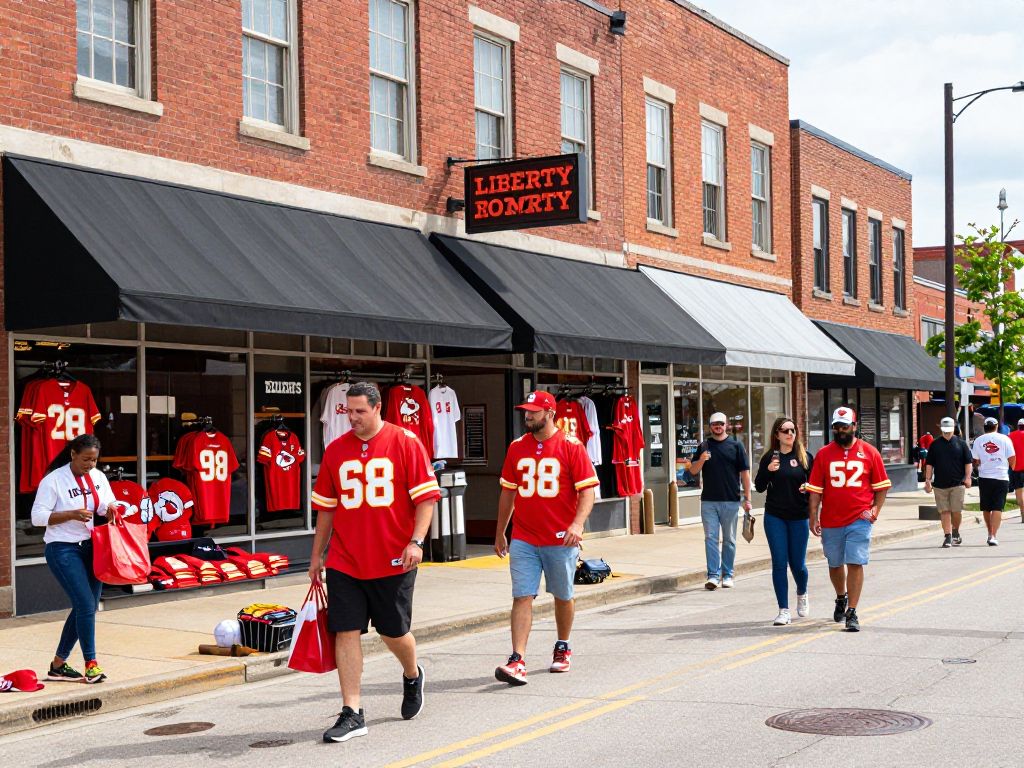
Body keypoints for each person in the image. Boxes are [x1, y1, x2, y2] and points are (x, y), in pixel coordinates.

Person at [308, 381, 441, 744]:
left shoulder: (405, 442)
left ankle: (412, 674)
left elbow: (426, 499)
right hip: (345, 560)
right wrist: (317, 555)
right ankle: (352, 712)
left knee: (392, 632)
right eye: (348, 412)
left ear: (378, 407)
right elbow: (326, 510)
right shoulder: (336, 450)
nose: (352, 418)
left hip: (393, 558)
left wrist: (416, 542)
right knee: (345, 631)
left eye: (360, 411)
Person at [493, 391, 599, 685]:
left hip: (560, 538)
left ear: (549, 413)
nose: (527, 416)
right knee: (522, 595)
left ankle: (563, 645)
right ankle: (517, 659)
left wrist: (577, 524)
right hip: (525, 537)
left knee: (563, 595)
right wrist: (501, 530)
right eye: (525, 411)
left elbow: (587, 490)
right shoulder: (516, 447)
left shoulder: (571, 446)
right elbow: (508, 492)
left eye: (533, 411)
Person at [31, 434, 116, 684]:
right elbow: (37, 517)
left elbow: (106, 504)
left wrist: (113, 509)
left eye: (94, 459)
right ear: (73, 454)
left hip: (93, 547)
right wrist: (70, 515)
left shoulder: (98, 477)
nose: (90, 464)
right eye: (86, 459)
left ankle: (58, 666)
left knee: (85, 606)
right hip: (62, 549)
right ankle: (91, 665)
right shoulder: (54, 480)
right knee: (86, 605)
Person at [805, 407, 890, 632]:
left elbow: (881, 487)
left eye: (845, 426)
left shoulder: (870, 452)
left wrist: (875, 511)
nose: (841, 431)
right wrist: (813, 516)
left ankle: (852, 611)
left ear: (854, 426)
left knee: (855, 561)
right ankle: (841, 597)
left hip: (859, 518)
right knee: (835, 563)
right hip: (831, 518)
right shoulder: (824, 453)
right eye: (837, 427)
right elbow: (815, 489)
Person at [754, 417, 814, 626]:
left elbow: (816, 487)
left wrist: (808, 489)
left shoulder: (805, 457)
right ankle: (783, 610)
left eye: (793, 430)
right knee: (779, 563)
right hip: (775, 516)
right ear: (777, 434)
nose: (790, 434)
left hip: (799, 516)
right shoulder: (770, 457)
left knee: (797, 565)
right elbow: (759, 487)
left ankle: (802, 592)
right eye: (785, 430)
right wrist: (767, 471)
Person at [688, 411, 752, 590]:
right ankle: (713, 576)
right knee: (710, 538)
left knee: (730, 540)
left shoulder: (736, 446)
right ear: (710, 426)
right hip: (708, 501)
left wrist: (747, 498)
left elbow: (745, 474)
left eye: (721, 424)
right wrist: (701, 460)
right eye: (715, 423)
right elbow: (693, 471)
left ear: (727, 426)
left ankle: (728, 574)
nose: (718, 426)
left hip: (731, 500)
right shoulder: (704, 446)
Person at [924, 416, 973, 547]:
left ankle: (956, 531)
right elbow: (929, 464)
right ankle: (948, 536)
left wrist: (968, 477)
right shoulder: (934, 444)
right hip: (940, 485)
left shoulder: (961, 444)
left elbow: (968, 462)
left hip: (958, 484)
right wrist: (927, 480)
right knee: (944, 511)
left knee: (956, 511)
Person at [970, 416, 1015, 546]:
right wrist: (1010, 469)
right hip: (1001, 477)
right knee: (997, 507)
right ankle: (994, 536)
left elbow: (975, 460)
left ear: (984, 427)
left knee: (986, 507)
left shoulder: (978, 440)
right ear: (996, 427)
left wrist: (980, 466)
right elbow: (1012, 458)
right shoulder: (1005, 439)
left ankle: (989, 532)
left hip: (985, 478)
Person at [1008, 418, 1024, 522]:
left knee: (1019, 492)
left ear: (1018, 426)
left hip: (1016, 468)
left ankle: (1022, 512)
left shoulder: (1010, 436)